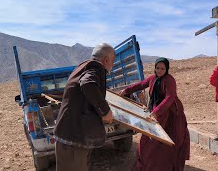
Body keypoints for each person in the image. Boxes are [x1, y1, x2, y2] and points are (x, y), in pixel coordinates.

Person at [119, 57, 190, 171]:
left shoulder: (169, 80)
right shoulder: (153, 78)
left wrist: (156, 112)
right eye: (157, 68)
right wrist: (127, 90)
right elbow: (141, 84)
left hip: (171, 116)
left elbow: (169, 97)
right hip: (156, 114)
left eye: (162, 68)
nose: (159, 71)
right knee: (148, 143)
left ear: (167, 69)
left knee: (168, 144)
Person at [54, 43, 116, 171]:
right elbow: (88, 84)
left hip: (68, 135)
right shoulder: (96, 67)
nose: (112, 65)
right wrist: (105, 111)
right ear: (106, 60)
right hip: (73, 139)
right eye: (113, 61)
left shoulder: (82, 66)